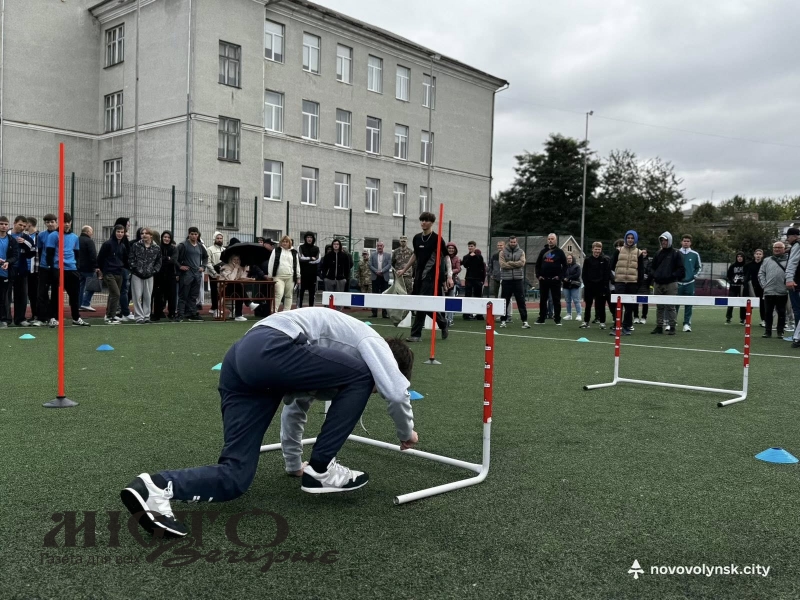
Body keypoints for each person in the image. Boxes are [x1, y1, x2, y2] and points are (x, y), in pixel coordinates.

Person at [120, 307, 418, 536]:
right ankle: (324, 468)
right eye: (377, 385)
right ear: (391, 366)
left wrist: (294, 465)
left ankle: (155, 488)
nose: (373, 392)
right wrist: (407, 434)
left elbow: (297, 408)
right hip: (269, 345)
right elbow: (396, 391)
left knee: (235, 477)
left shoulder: (325, 365)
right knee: (361, 378)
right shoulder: (373, 343)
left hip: (241, 365)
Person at [396, 212, 453, 341]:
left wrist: (449, 276)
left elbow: (447, 257)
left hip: (431, 276)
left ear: (432, 223)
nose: (423, 223)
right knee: (419, 303)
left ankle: (416, 334)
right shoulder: (416, 238)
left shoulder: (437, 239)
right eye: (421, 220)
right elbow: (415, 255)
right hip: (418, 275)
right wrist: (404, 269)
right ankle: (442, 322)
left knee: (422, 302)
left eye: (426, 220)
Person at [50, 213, 90, 327]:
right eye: (64, 221)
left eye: (68, 222)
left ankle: (76, 318)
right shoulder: (53, 235)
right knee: (56, 295)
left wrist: (76, 267)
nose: (66, 224)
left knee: (74, 295)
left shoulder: (75, 237)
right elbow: (49, 254)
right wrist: (53, 269)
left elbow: (77, 254)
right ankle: (54, 318)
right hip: (58, 269)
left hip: (72, 270)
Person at [650, 232, 685, 335]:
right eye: (662, 240)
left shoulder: (676, 253)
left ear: (669, 240)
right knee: (659, 307)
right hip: (658, 283)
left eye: (665, 240)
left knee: (670, 306)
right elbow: (652, 267)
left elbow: (681, 269)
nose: (663, 242)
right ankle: (659, 326)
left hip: (671, 284)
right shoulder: (658, 253)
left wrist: (671, 276)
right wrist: (655, 275)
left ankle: (672, 326)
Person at [609, 230, 642, 336]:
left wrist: (638, 284)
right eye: (628, 238)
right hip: (620, 282)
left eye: (632, 238)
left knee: (629, 307)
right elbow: (611, 266)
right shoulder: (618, 250)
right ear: (625, 238)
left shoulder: (639, 253)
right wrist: (614, 279)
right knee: (618, 305)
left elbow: (641, 270)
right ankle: (617, 326)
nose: (630, 240)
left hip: (632, 283)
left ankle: (627, 326)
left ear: (635, 239)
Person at [128, 227, 162, 324]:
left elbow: (159, 262)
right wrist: (135, 269)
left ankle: (147, 316)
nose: (144, 235)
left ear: (151, 235)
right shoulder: (136, 245)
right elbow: (131, 259)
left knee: (148, 296)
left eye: (146, 233)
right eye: (142, 233)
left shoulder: (156, 248)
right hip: (137, 275)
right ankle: (139, 317)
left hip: (149, 275)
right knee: (137, 296)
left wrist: (153, 271)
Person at [97, 225, 129, 324]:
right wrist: (101, 271)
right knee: (116, 294)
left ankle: (108, 315)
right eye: (118, 232)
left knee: (112, 294)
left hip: (119, 273)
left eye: (122, 232)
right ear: (114, 232)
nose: (120, 234)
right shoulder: (107, 244)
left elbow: (125, 260)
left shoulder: (122, 246)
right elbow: (100, 258)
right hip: (109, 272)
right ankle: (111, 316)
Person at [176, 227, 207, 322]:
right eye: (192, 234)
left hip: (197, 274)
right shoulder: (183, 245)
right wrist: (180, 266)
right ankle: (180, 314)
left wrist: (203, 266)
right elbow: (175, 258)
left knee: (194, 296)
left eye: (196, 234)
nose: (194, 236)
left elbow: (206, 257)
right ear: (189, 234)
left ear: (198, 235)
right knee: (183, 295)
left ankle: (192, 313)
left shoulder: (200, 246)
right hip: (186, 274)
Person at [535, 233, 567, 325]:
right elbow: (537, 265)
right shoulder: (542, 251)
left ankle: (557, 319)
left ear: (555, 240)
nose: (550, 240)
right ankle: (541, 318)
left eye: (552, 239)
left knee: (556, 300)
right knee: (543, 300)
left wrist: (560, 277)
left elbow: (565, 266)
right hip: (544, 280)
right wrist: (538, 276)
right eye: (549, 239)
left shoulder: (560, 252)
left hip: (555, 280)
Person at [498, 235, 529, 329]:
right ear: (509, 242)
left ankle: (525, 321)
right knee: (504, 301)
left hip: (518, 280)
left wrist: (510, 263)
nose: (513, 243)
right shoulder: (502, 252)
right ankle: (503, 321)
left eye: (514, 242)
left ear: (516, 242)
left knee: (521, 301)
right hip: (506, 280)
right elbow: (502, 265)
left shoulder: (521, 252)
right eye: (511, 242)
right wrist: (515, 264)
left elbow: (522, 263)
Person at [759, 241, 789, 338]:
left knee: (781, 312)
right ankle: (767, 331)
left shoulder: (788, 260)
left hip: (782, 291)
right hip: (769, 291)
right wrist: (764, 285)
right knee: (768, 312)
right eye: (775, 247)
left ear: (784, 249)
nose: (776, 249)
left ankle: (780, 332)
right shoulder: (767, 260)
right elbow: (761, 273)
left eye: (779, 247)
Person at [9, 216, 34, 326]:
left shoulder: (26, 237)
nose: (22, 228)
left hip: (22, 270)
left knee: (22, 296)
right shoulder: (6, 235)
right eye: (20, 225)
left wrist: (24, 243)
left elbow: (32, 251)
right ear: (14, 223)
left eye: (24, 226)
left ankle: (20, 319)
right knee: (5, 296)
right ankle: (5, 319)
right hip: (7, 270)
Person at [35, 213, 58, 326]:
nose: (50, 224)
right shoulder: (41, 235)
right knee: (42, 293)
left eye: (52, 222)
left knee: (55, 293)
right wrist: (42, 264)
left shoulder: (60, 235)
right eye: (47, 222)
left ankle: (54, 317)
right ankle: (41, 318)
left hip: (56, 267)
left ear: (56, 222)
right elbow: (39, 250)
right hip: (44, 267)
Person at [581, 242, 610, 329]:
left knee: (601, 305)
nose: (597, 251)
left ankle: (602, 322)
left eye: (599, 249)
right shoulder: (587, 260)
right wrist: (586, 284)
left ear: (601, 250)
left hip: (600, 286)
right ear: (592, 249)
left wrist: (604, 285)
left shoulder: (604, 260)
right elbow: (584, 274)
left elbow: (606, 274)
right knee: (588, 305)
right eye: (595, 249)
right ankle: (586, 322)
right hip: (589, 286)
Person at [676, 234, 702, 332]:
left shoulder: (695, 254)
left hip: (690, 283)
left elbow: (698, 267)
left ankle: (687, 324)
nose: (686, 243)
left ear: (690, 243)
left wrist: (693, 276)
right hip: (678, 282)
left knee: (689, 304)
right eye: (684, 241)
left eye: (688, 241)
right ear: (681, 242)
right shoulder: (676, 253)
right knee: (675, 304)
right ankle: (672, 322)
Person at [267, 235, 300, 312]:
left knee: (289, 296)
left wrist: (298, 276)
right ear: (280, 243)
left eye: (286, 241)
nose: (285, 243)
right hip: (278, 276)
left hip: (290, 277)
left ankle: (286, 312)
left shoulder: (294, 252)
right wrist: (270, 275)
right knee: (279, 294)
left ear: (290, 243)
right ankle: (274, 312)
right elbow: (271, 262)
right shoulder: (276, 250)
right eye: (283, 241)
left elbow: (297, 264)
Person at [218, 254, 254, 321]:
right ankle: (248, 304)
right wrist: (235, 269)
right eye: (234, 259)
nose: (236, 261)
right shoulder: (225, 267)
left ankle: (239, 314)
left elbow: (241, 278)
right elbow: (231, 279)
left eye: (238, 259)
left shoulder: (239, 268)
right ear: (231, 260)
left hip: (235, 289)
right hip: (224, 289)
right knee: (237, 285)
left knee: (238, 289)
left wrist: (246, 273)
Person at [0, 216, 20, 328]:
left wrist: (7, 262)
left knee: (3, 298)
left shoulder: (11, 240)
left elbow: (15, 256)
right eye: (1, 224)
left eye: (6, 224)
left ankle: (4, 319)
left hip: (4, 273)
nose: (4, 226)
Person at [114, 217, 135, 322]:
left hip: (124, 267)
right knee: (122, 291)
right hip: (122, 268)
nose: (129, 225)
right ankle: (122, 312)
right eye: (128, 223)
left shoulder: (124, 239)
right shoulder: (119, 241)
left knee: (121, 291)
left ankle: (121, 311)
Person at [487, 240, 511, 322]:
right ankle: (500, 315)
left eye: (501, 245)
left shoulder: (507, 255)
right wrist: (491, 274)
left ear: (504, 246)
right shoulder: (494, 256)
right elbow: (490, 266)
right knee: (497, 297)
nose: (499, 247)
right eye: (498, 245)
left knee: (507, 297)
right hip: (496, 279)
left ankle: (508, 315)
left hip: (506, 279)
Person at [462, 242, 486, 321]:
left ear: (475, 247)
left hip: (478, 279)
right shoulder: (466, 257)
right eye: (469, 246)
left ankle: (479, 314)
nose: (470, 248)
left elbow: (482, 268)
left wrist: (482, 280)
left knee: (478, 297)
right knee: (467, 296)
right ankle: (467, 314)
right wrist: (470, 257)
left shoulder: (479, 256)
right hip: (469, 279)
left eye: (471, 246)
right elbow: (465, 265)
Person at [78, 226, 99, 312]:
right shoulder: (89, 241)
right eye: (91, 231)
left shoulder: (77, 239)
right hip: (88, 267)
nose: (92, 233)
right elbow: (93, 255)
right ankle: (86, 303)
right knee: (92, 286)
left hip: (78, 267)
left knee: (80, 286)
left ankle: (79, 304)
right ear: (87, 232)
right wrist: (96, 266)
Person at [297, 233, 320, 308]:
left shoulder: (317, 248)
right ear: (305, 238)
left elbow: (317, 260)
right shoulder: (300, 247)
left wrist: (306, 260)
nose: (309, 239)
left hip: (313, 275)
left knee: (312, 293)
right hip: (302, 275)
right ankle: (299, 309)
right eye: (308, 237)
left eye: (311, 237)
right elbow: (300, 258)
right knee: (300, 293)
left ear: (313, 239)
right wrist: (310, 258)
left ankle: (311, 309)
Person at [369, 241, 391, 318]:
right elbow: (370, 265)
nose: (379, 247)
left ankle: (384, 313)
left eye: (381, 246)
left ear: (383, 246)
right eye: (378, 246)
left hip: (384, 277)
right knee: (374, 294)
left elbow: (389, 265)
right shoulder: (372, 255)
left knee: (384, 295)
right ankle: (374, 313)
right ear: (376, 246)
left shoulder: (388, 255)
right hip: (375, 277)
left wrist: (382, 271)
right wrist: (376, 271)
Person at [206, 232, 225, 318]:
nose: (219, 240)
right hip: (213, 274)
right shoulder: (210, 249)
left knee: (221, 292)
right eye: (218, 238)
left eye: (221, 238)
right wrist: (214, 273)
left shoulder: (224, 250)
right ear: (214, 239)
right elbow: (208, 262)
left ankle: (216, 308)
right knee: (214, 292)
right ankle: (215, 309)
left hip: (223, 275)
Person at [25, 217, 40, 325]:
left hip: (36, 270)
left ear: (29, 224)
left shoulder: (39, 236)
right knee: (31, 293)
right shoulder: (26, 236)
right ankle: (34, 314)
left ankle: (39, 315)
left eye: (25, 224)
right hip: (27, 270)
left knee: (37, 293)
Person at [725, 252, 747, 325]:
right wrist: (731, 282)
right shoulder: (732, 266)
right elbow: (728, 275)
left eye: (741, 256)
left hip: (742, 288)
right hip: (733, 287)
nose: (739, 258)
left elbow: (748, 275)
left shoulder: (746, 266)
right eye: (738, 256)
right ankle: (728, 318)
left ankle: (742, 319)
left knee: (743, 303)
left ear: (743, 258)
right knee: (731, 302)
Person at [784, 227, 800, 328]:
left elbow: (792, 262)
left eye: (788, 237)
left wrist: (789, 279)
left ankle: (797, 336)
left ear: (794, 236)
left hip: (796, 282)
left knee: (797, 309)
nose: (787, 239)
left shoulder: (797, 245)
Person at [745, 248, 765, 328]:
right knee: (750, 303)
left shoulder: (764, 265)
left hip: (762, 287)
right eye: (757, 254)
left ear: (762, 256)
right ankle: (747, 320)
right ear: (754, 255)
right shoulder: (749, 265)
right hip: (752, 287)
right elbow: (746, 276)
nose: (758, 256)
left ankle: (763, 320)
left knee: (763, 304)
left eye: (760, 254)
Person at [633, 248, 652, 325]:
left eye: (645, 252)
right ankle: (636, 317)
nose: (643, 254)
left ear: (647, 253)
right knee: (635, 301)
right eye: (642, 252)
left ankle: (644, 317)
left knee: (644, 301)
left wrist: (647, 276)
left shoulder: (649, 262)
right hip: (636, 283)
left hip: (645, 284)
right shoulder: (636, 261)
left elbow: (650, 271)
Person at [562, 253, 582, 322]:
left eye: (570, 258)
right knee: (568, 301)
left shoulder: (577, 266)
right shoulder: (564, 267)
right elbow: (561, 274)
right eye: (567, 259)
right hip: (566, 285)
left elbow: (577, 274)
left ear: (572, 259)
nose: (569, 260)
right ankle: (569, 314)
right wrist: (563, 279)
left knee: (576, 300)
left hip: (574, 285)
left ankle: (579, 314)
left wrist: (568, 278)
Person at [444, 242, 461, 325]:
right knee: (443, 299)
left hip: (452, 281)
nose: (451, 250)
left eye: (452, 248)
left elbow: (458, 269)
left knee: (451, 300)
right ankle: (443, 318)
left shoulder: (457, 258)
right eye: (449, 248)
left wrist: (449, 272)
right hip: (443, 281)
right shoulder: (443, 257)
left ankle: (450, 319)